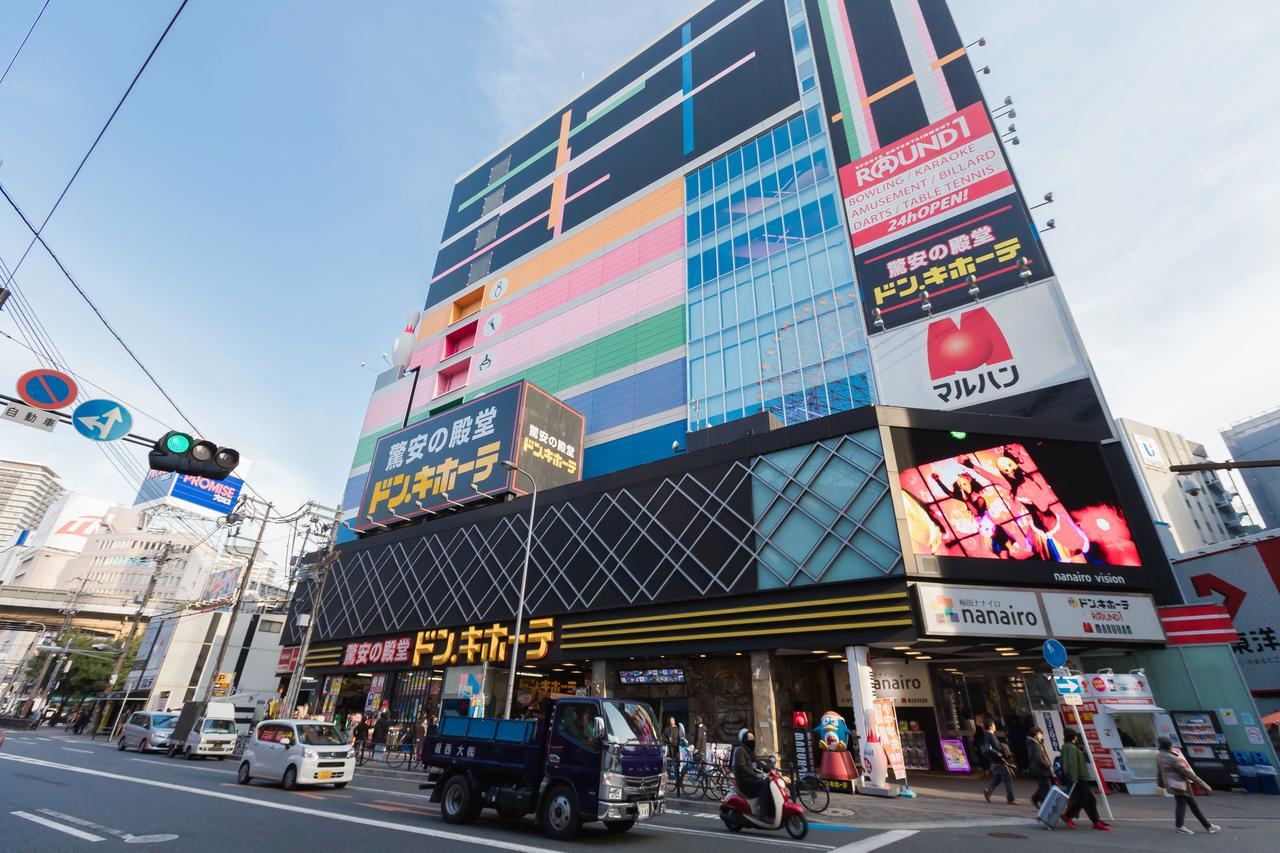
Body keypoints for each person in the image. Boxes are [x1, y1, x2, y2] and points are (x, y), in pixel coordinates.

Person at [1157, 737, 1220, 835]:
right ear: (1169, 745)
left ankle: (1208, 826)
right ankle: (1180, 826)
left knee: (1191, 805)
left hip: (1172, 783)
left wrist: (1160, 783)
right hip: (1180, 785)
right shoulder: (1173, 758)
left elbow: (1160, 771)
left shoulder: (1160, 755)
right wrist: (1204, 784)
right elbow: (1188, 773)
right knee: (1183, 804)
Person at [1060, 728, 1109, 830]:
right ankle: (1067, 816)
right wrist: (1074, 777)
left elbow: (1064, 762)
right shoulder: (1072, 748)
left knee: (1090, 800)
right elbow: (1072, 764)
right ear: (1074, 737)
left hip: (1077, 777)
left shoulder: (1065, 747)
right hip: (1078, 778)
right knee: (1083, 800)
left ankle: (1096, 821)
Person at [731, 727, 772, 823]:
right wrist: (755, 775)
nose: (752, 741)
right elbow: (742, 767)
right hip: (744, 781)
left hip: (750, 779)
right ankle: (763, 815)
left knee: (769, 782)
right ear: (744, 740)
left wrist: (771, 770)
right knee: (763, 784)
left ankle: (770, 811)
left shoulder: (750, 751)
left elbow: (758, 762)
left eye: (753, 739)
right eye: (750, 739)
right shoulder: (740, 751)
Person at [980, 720, 1019, 805]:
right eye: (993, 724)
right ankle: (1011, 799)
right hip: (999, 761)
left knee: (998, 778)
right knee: (1008, 779)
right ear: (990, 726)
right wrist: (999, 753)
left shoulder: (988, 735)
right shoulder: (989, 735)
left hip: (995, 762)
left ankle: (988, 790)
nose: (995, 726)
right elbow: (990, 748)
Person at [1026, 727, 1052, 808]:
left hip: (1038, 770)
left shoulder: (1032, 743)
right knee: (1047, 788)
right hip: (1042, 770)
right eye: (1040, 734)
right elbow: (1038, 758)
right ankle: (1046, 805)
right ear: (1035, 735)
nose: (1042, 735)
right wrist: (1047, 765)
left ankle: (1035, 798)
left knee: (1042, 787)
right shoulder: (1036, 745)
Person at [663, 716, 682, 780]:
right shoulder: (666, 728)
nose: (672, 722)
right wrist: (668, 741)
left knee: (676, 762)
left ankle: (676, 776)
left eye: (673, 720)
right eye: (671, 720)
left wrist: (674, 742)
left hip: (675, 748)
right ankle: (668, 775)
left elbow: (678, 738)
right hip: (669, 748)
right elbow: (663, 737)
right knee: (668, 762)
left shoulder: (676, 728)